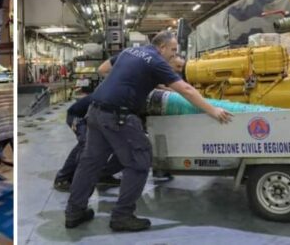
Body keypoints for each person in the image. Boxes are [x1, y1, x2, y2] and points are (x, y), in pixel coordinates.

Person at [65, 31, 233, 232]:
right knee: (139, 162)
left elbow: (102, 69)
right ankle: (122, 216)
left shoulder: (129, 51)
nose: (174, 55)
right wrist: (213, 110)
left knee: (90, 163)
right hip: (119, 116)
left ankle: (74, 212)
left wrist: (132, 84)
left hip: (95, 111)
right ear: (161, 47)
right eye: (172, 50)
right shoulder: (157, 61)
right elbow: (186, 90)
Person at [53, 95, 123, 192]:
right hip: (77, 116)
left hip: (94, 117)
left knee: (118, 143)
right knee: (85, 142)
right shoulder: (116, 94)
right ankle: (62, 178)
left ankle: (103, 175)